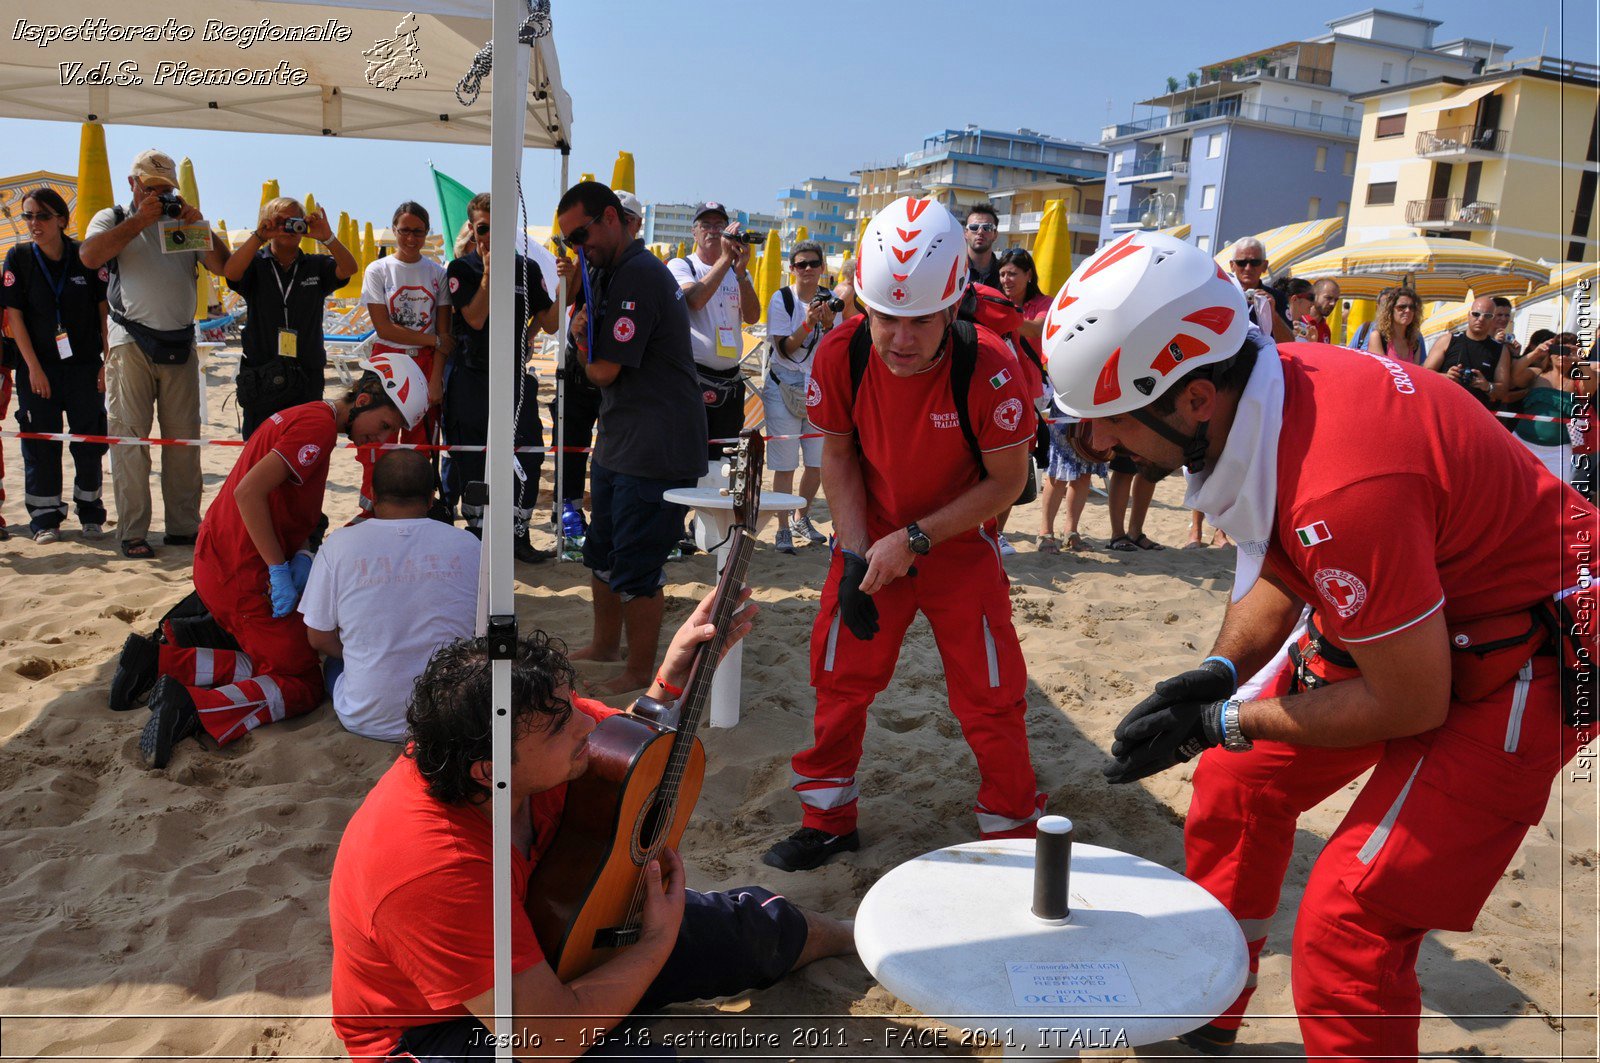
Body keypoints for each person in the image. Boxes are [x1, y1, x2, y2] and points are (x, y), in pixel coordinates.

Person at [1044, 230, 1595, 1060]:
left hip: (1539, 643)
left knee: (1350, 918)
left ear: (1192, 398)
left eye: (1105, 426)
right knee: (1236, 787)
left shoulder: (1340, 487)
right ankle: (1209, 1006)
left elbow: (1412, 700)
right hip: (1436, 608)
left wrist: (1231, 718)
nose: (1096, 448)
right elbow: (1284, 558)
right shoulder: (1273, 395)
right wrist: (1219, 675)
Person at [328, 587, 856, 1062]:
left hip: (556, 928)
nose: (586, 722)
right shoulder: (429, 865)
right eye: (564, 724)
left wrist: (669, 682)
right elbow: (544, 1039)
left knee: (753, 926)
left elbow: (617, 746)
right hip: (434, 1029)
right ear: (492, 772)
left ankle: (859, 940)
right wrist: (655, 943)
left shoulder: (521, 724)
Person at [762, 196, 1045, 873]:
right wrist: (856, 550)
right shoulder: (840, 353)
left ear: (952, 308)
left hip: (958, 543)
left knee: (991, 692)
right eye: (886, 316)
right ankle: (828, 819)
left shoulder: (992, 366)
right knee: (839, 676)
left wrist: (916, 539)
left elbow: (1007, 483)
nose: (901, 337)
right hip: (874, 535)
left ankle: (1011, 827)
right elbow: (838, 457)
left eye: (919, 319)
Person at [110, 354, 430, 769]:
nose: (383, 438)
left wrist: (296, 554)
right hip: (242, 574)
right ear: (365, 399)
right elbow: (249, 493)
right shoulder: (317, 427)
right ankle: (192, 705)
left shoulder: (313, 419)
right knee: (303, 682)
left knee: (277, 659)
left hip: (227, 562)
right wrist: (279, 570)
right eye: (386, 425)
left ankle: (155, 663)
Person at [556, 181, 707, 696]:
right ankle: (605, 646)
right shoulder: (607, 269)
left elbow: (601, 371)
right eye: (567, 241)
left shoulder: (640, 273)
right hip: (623, 437)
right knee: (600, 550)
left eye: (581, 234)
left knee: (638, 563)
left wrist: (579, 340)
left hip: (657, 445)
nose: (577, 246)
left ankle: (641, 671)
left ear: (613, 218)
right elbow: (596, 361)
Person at [79, 149, 229, 560]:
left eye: (167, 190)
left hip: (180, 341)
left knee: (182, 444)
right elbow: (90, 256)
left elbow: (224, 267)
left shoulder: (184, 221)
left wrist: (198, 224)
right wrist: (140, 220)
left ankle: (183, 528)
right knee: (130, 443)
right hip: (130, 343)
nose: (161, 197)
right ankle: (132, 532)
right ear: (134, 184)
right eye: (153, 188)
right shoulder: (112, 218)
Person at [299, 449, 480, 743]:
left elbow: (318, 637)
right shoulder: (467, 544)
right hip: (453, 714)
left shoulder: (339, 546)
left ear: (372, 493)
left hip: (368, 719)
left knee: (336, 664)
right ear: (431, 498)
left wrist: (370, 654)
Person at [442, 192, 559, 562]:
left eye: (499, 226)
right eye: (483, 228)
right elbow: (474, 319)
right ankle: (478, 536)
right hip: (472, 377)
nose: (491, 234)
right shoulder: (462, 269)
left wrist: (560, 295)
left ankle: (518, 536)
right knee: (473, 459)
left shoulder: (529, 268)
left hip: (513, 379)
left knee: (529, 455)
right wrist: (491, 272)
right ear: (473, 229)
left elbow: (552, 322)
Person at [0, 187, 110, 543]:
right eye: (28, 215)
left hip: (83, 366)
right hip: (39, 368)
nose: (34, 223)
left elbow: (104, 313)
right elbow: (14, 317)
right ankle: (45, 519)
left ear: (62, 220)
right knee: (39, 443)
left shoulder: (86, 256)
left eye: (42, 216)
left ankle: (90, 512)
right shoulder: (17, 257)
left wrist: (106, 363)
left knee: (89, 441)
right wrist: (31, 368)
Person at [550, 191, 644, 542]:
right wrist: (570, 270)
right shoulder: (590, 255)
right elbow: (565, 307)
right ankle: (569, 514)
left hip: (612, 373)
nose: (582, 242)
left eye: (630, 217)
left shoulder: (638, 266)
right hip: (579, 368)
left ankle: (603, 518)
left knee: (609, 449)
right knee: (571, 443)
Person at [222, 196, 357, 438]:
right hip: (262, 372)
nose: (288, 227)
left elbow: (349, 268)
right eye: (280, 221)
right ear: (267, 223)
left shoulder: (315, 265)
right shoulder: (255, 263)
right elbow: (230, 272)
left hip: (306, 371)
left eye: (295, 221)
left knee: (303, 445)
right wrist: (259, 236)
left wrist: (327, 237)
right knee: (260, 446)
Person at [358, 201, 454, 513]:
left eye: (418, 231)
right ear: (394, 230)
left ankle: (411, 509)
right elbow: (384, 326)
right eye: (404, 231)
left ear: (427, 233)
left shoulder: (437, 274)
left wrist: (436, 377)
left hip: (425, 364)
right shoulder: (378, 270)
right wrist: (433, 340)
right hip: (386, 363)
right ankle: (371, 509)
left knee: (418, 445)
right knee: (377, 440)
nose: (411, 238)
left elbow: (445, 334)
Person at [668, 202, 760, 460]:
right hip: (693, 377)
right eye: (706, 225)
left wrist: (740, 273)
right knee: (688, 455)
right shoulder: (681, 265)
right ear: (694, 232)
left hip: (730, 380)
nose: (713, 231)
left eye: (719, 226)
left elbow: (753, 317)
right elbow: (694, 300)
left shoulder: (737, 270)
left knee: (725, 459)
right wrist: (725, 259)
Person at [762, 240, 835, 555]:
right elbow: (784, 349)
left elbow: (835, 349)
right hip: (783, 383)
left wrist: (829, 324)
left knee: (818, 462)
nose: (807, 269)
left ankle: (800, 517)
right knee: (785, 464)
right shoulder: (783, 300)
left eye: (813, 263)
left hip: (818, 385)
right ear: (791, 268)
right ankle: (781, 528)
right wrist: (809, 323)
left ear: (822, 267)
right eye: (801, 264)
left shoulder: (831, 300)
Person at [1504, 330, 1590, 484]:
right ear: (1551, 351)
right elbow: (1514, 376)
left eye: (1568, 351)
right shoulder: (1536, 374)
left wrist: (1582, 359)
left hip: (1559, 452)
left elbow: (1590, 388)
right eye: (1559, 349)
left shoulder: (1577, 381)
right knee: (1513, 488)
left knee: (1557, 497)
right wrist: (1537, 352)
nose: (1562, 355)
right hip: (1523, 444)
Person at [1423, 294, 1511, 411]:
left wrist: (1487, 386)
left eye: (1487, 316)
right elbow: (1424, 374)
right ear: (1468, 315)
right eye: (1476, 314)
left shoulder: (1499, 350)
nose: (1480, 319)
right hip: (1444, 409)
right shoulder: (1448, 340)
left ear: (1492, 319)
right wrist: (1445, 376)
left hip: (1475, 413)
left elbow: (1503, 390)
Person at [1226, 238, 1292, 344]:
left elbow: (1289, 343)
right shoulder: (1222, 294)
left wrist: (1273, 314)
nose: (1248, 268)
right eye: (1241, 263)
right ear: (1232, 266)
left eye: (1254, 262)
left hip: (1265, 357)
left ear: (1264, 266)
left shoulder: (1276, 298)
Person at [1366, 286, 1423, 364]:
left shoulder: (1414, 342)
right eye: (1402, 307)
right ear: (1391, 310)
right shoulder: (1378, 337)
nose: (1407, 310)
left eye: (1412, 307)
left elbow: (1415, 373)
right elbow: (1379, 371)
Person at [962, 204, 1003, 289]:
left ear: (995, 234)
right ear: (965, 233)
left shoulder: (1004, 273)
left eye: (987, 227)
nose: (980, 232)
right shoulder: (953, 270)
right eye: (974, 227)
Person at [1307, 279, 1339, 343]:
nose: (1333, 303)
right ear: (1314, 296)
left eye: (1336, 300)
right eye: (1328, 298)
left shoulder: (1326, 329)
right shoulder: (1300, 321)